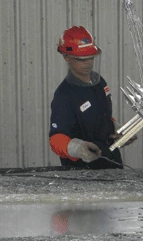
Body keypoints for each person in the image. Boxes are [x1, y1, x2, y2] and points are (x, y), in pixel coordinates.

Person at [49, 26, 135, 169]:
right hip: (83, 172)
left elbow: (101, 115)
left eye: (90, 58)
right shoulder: (64, 96)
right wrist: (78, 148)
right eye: (81, 59)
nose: (88, 63)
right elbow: (55, 139)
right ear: (66, 57)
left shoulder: (99, 83)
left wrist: (116, 130)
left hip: (111, 163)